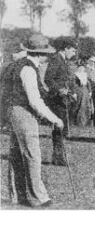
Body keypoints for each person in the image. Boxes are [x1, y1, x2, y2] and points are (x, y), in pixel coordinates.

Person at [8, 34, 64, 207]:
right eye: (47, 53)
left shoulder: (20, 65)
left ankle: (17, 195)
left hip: (14, 111)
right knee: (33, 154)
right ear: (40, 54)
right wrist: (54, 119)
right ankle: (37, 197)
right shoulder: (29, 69)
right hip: (23, 112)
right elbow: (34, 100)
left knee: (17, 154)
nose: (48, 56)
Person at [44, 37, 76, 166]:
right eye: (73, 51)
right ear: (66, 49)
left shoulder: (62, 60)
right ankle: (58, 157)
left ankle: (58, 156)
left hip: (62, 98)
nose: (73, 54)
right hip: (57, 100)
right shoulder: (56, 59)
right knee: (59, 127)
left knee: (62, 128)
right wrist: (60, 90)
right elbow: (48, 79)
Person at [0, 47, 27, 131]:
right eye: (14, 54)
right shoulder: (8, 65)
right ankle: (4, 124)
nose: (14, 55)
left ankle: (7, 125)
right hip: (6, 89)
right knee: (4, 106)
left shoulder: (21, 65)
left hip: (12, 90)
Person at [70, 61, 94, 126]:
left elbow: (88, 84)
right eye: (80, 68)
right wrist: (74, 92)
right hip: (78, 91)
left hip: (85, 91)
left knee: (86, 106)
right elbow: (73, 84)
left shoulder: (86, 75)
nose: (81, 69)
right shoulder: (75, 75)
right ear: (78, 68)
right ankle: (75, 121)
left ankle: (84, 122)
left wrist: (90, 91)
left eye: (82, 68)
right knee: (77, 105)